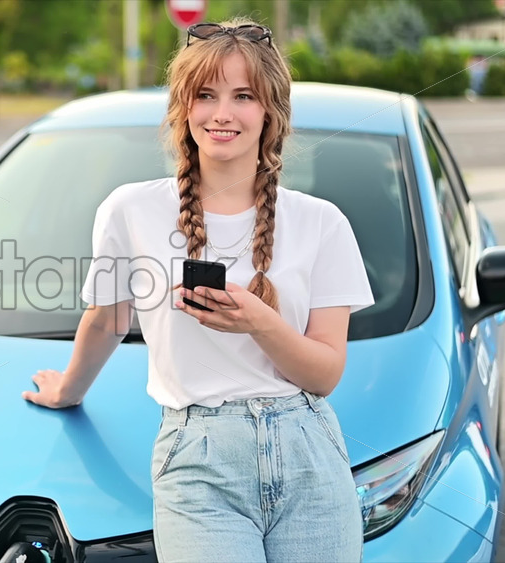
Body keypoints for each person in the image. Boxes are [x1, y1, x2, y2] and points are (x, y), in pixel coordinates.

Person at [22, 17, 373, 563]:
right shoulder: (130, 209)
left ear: (271, 113)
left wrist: (260, 321)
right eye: (205, 95)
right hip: (197, 459)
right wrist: (69, 388)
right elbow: (108, 318)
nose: (222, 113)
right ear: (184, 108)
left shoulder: (322, 223)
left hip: (309, 451)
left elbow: (324, 374)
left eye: (243, 96)